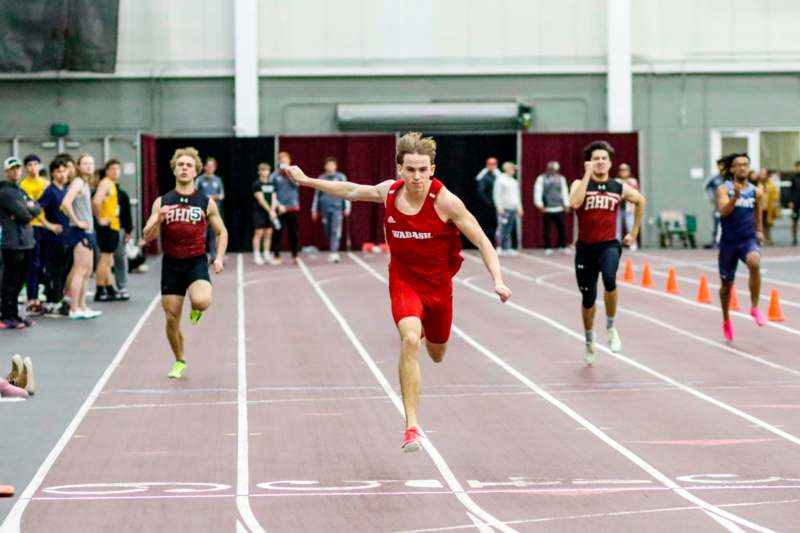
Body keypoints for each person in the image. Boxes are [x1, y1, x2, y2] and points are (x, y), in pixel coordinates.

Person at [286, 132, 511, 452]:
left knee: (437, 353)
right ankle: (412, 426)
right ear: (400, 170)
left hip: (438, 288)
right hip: (404, 282)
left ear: (432, 169)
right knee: (408, 339)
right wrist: (308, 181)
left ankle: (424, 336)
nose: (416, 177)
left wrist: (498, 280)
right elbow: (350, 190)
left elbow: (483, 241)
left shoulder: (445, 201)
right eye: (410, 170)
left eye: (422, 170)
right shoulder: (389, 193)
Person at [143, 147, 228, 379]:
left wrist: (218, 258)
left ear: (196, 171)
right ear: (174, 169)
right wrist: (158, 220)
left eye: (189, 165)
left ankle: (196, 308)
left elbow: (222, 232)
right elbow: (147, 236)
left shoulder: (205, 202)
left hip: (196, 261)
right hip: (171, 264)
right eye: (180, 164)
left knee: (202, 301)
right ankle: (179, 360)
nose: (184, 168)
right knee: (171, 318)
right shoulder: (163, 201)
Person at [569, 141, 646, 365]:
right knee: (588, 298)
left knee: (610, 278)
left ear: (610, 162)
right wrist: (586, 175)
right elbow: (574, 202)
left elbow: (640, 201)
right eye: (596, 158)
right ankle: (589, 340)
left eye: (604, 158)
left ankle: (611, 327)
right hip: (585, 249)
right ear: (589, 162)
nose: (600, 162)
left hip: (609, 245)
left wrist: (634, 232)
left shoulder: (618, 187)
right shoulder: (579, 183)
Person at [716, 153, 766, 342]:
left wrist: (759, 230)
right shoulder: (724, 189)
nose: (742, 168)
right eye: (738, 165)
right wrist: (735, 197)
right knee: (726, 285)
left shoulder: (755, 191)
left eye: (745, 164)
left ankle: (754, 307)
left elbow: (758, 210)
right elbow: (724, 212)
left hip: (747, 239)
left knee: (754, 262)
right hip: (729, 242)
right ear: (732, 169)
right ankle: (726, 319)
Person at [0, 157, 41, 329]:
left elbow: (36, 208)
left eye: (18, 168)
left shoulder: (21, 190)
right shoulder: (5, 192)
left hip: (25, 242)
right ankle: (6, 316)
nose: (16, 171)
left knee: (19, 282)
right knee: (10, 281)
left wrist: (26, 208)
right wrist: (26, 209)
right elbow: (25, 214)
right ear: (6, 171)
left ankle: (15, 314)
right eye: (12, 169)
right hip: (12, 243)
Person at [62, 154, 102, 320]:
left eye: (91, 163)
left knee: (87, 270)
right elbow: (65, 203)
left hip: (88, 232)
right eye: (85, 163)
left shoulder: (85, 183)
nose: (89, 166)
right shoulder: (78, 182)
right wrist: (77, 221)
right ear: (78, 166)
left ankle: (82, 306)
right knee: (80, 270)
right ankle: (74, 308)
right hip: (80, 232)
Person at [38, 157, 72, 316]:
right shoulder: (50, 191)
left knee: (64, 269)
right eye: (58, 171)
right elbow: (36, 209)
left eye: (64, 170)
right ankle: (53, 301)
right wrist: (49, 225)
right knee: (54, 270)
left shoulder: (66, 190)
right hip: (53, 238)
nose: (62, 174)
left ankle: (58, 298)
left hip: (67, 236)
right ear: (52, 173)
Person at [19, 154, 49, 316]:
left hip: (48, 228)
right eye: (29, 165)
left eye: (35, 164)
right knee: (34, 264)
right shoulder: (23, 186)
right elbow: (30, 208)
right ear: (25, 168)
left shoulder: (46, 184)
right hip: (33, 228)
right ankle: (32, 298)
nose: (32, 168)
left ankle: (47, 294)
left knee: (46, 262)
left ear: (39, 166)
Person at [92, 159, 125, 302]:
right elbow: (96, 201)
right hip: (107, 227)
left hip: (113, 225)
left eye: (118, 169)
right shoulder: (105, 183)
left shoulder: (111, 184)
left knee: (109, 260)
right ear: (107, 171)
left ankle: (109, 286)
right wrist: (100, 219)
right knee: (105, 259)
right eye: (113, 169)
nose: (116, 172)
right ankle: (100, 290)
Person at [311, 157, 351, 263]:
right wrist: (314, 209)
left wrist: (347, 206)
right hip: (325, 209)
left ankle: (334, 252)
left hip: (337, 208)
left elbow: (347, 192)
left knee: (335, 230)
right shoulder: (321, 178)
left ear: (335, 166)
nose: (330, 167)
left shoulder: (341, 177)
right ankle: (332, 249)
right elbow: (316, 195)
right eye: (328, 165)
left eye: (332, 165)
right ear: (325, 166)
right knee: (327, 230)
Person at [533, 161, 570, 254]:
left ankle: (562, 245)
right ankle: (547, 246)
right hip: (547, 208)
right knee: (547, 229)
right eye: (551, 169)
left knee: (561, 227)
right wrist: (539, 204)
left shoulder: (561, 178)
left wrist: (566, 204)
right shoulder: (541, 178)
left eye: (555, 169)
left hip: (559, 207)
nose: (553, 171)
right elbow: (538, 191)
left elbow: (564, 191)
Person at [270, 151, 300, 264]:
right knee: (277, 232)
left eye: (285, 160)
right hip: (280, 208)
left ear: (289, 161)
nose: (283, 162)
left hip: (293, 207)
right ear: (278, 162)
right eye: (281, 160)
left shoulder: (294, 174)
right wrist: (277, 205)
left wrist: (289, 173)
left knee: (294, 233)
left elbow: (297, 184)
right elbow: (272, 192)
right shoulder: (274, 175)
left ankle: (295, 255)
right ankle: (276, 255)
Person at [195, 157, 225, 263]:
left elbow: (221, 195)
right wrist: (207, 198)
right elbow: (194, 194)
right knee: (202, 235)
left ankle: (214, 256)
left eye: (212, 166)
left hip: (215, 211)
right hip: (202, 212)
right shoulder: (199, 180)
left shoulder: (218, 180)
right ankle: (201, 257)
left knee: (215, 234)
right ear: (204, 167)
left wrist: (214, 197)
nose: (210, 168)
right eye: (208, 166)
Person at [493, 161, 522, 256]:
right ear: (507, 169)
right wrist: (499, 207)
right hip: (504, 208)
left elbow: (517, 195)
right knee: (501, 228)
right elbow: (497, 194)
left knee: (509, 229)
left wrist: (519, 207)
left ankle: (507, 247)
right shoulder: (500, 180)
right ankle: (499, 247)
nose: (514, 171)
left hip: (513, 207)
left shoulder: (514, 181)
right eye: (512, 169)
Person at [251, 163, 278, 265]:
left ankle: (266, 253)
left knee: (268, 233)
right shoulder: (257, 184)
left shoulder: (272, 184)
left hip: (270, 213)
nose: (265, 173)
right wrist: (270, 210)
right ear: (259, 172)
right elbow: (261, 199)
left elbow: (274, 197)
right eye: (263, 170)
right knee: (259, 233)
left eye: (267, 170)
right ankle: (257, 255)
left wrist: (273, 210)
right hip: (259, 212)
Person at [114, 182, 134, 299]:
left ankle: (122, 286)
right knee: (103, 260)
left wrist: (128, 230)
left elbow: (127, 213)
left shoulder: (122, 195)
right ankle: (104, 286)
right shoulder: (98, 193)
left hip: (120, 228)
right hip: (103, 229)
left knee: (120, 257)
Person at [475, 157, 502, 243]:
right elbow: (481, 192)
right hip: (487, 207)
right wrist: (489, 203)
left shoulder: (498, 176)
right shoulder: (484, 177)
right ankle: (487, 243)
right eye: (491, 164)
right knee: (487, 226)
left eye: (494, 164)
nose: (492, 166)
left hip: (496, 205)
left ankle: (494, 243)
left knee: (495, 225)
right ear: (487, 165)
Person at [615, 163, 640, 250]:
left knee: (630, 226)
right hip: (618, 208)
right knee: (617, 228)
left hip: (629, 208)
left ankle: (633, 243)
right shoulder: (616, 181)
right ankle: (617, 244)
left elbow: (635, 193)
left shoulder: (633, 181)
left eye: (625, 170)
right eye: (622, 170)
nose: (623, 172)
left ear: (629, 171)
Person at [703, 158, 726, 249]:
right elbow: (705, 187)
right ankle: (715, 241)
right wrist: (711, 199)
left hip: (728, 204)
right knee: (717, 222)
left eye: (723, 165)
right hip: (718, 205)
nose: (721, 167)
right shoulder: (714, 178)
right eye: (719, 165)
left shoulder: (729, 178)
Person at [790, 161, 800, 246]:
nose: (798, 168)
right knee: (794, 221)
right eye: (797, 167)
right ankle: (794, 239)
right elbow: (791, 191)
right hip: (796, 202)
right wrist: (791, 201)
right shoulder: (793, 178)